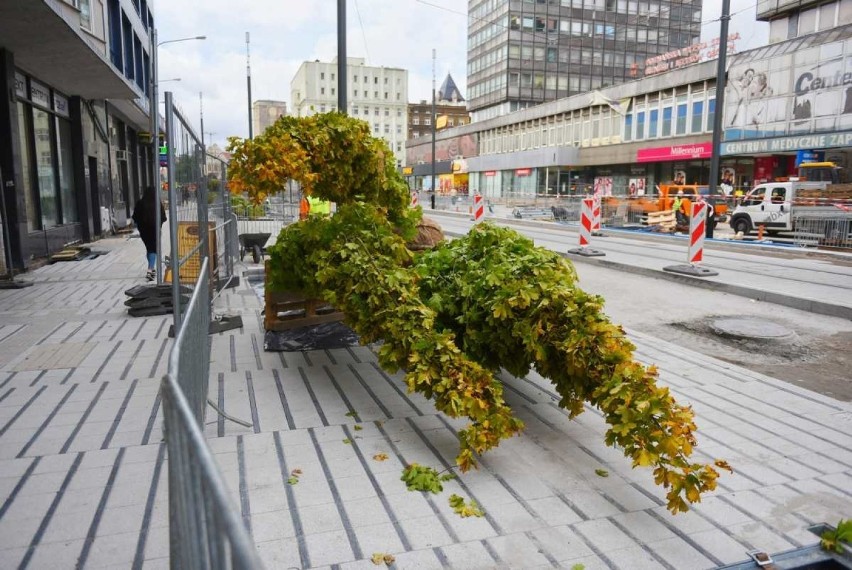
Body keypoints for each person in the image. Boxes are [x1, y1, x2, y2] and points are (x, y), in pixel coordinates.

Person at [132, 186, 166, 282]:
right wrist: (159, 224)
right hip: (155, 229)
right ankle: (150, 269)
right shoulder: (157, 203)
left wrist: (140, 225)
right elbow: (163, 217)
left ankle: (151, 268)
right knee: (153, 248)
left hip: (144, 231)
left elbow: (135, 217)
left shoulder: (140, 203)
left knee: (149, 248)